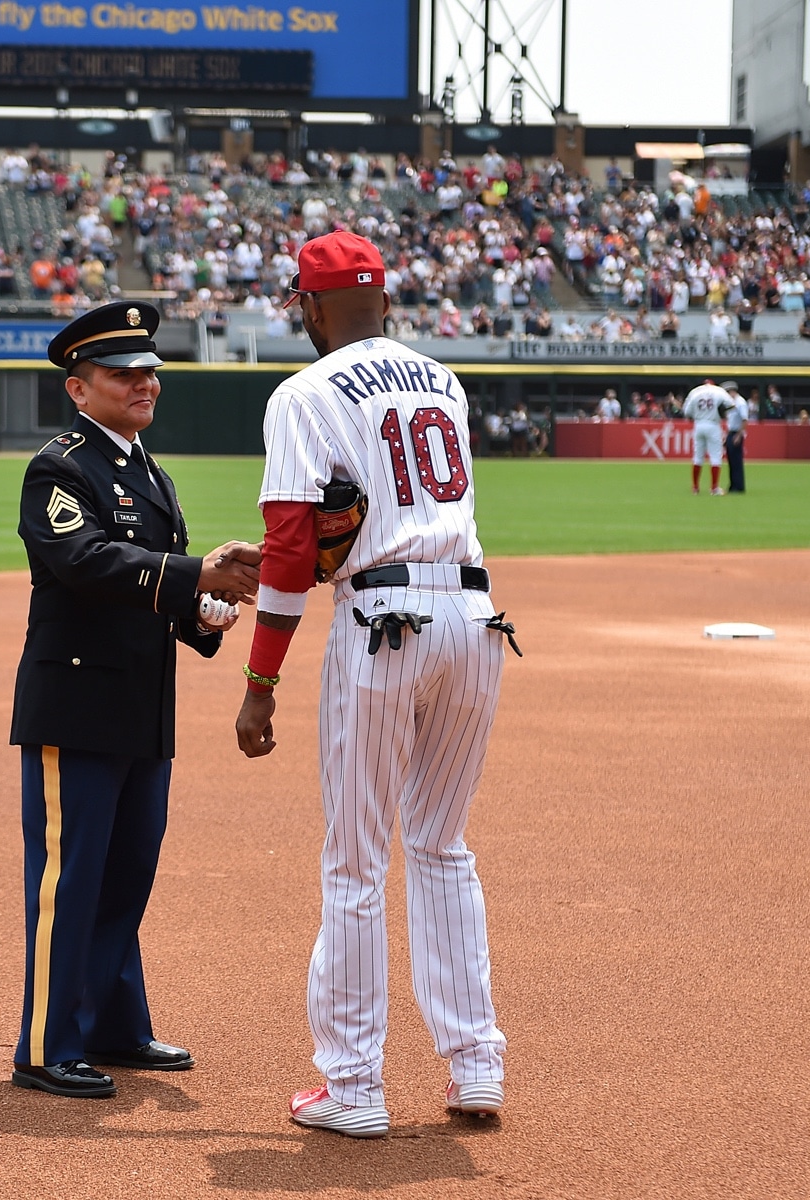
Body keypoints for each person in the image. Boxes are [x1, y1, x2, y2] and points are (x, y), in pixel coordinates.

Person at [234, 230, 513, 1138]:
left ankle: (353, 1087)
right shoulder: (443, 379)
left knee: (356, 858)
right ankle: (475, 1067)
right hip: (475, 618)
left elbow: (291, 546)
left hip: (384, 624)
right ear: (383, 303)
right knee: (442, 845)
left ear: (311, 310)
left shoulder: (303, 391)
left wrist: (260, 680)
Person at [10, 300, 261, 1100]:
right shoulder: (61, 466)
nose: (144, 383)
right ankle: (47, 1044)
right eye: (123, 374)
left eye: (150, 371)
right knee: (70, 876)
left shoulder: (148, 469)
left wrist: (202, 613)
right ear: (80, 390)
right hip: (77, 706)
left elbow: (152, 585)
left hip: (142, 709)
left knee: (126, 876)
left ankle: (114, 1028)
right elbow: (85, 561)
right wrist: (195, 576)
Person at [681, 378, 728, 494]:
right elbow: (731, 405)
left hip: (699, 424)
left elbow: (686, 412)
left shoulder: (695, 392)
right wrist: (722, 412)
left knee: (698, 457)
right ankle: (714, 488)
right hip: (713, 424)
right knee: (715, 457)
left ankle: (695, 487)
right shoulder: (719, 391)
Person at [720, 379, 748, 493]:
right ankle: (733, 485)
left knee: (736, 461)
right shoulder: (731, 403)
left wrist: (739, 435)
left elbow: (745, 420)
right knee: (731, 461)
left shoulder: (740, 402)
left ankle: (739, 486)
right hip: (731, 433)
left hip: (736, 433)